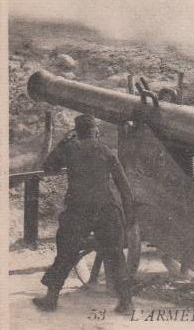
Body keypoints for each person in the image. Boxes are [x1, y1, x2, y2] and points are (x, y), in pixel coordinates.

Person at [33, 114, 135, 313]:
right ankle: (126, 303)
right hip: (107, 209)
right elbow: (123, 186)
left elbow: (48, 166)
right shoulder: (107, 151)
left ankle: (51, 299)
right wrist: (128, 215)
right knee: (116, 256)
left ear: (77, 132)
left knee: (66, 253)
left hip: (78, 210)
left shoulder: (70, 148)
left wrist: (63, 142)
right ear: (94, 130)